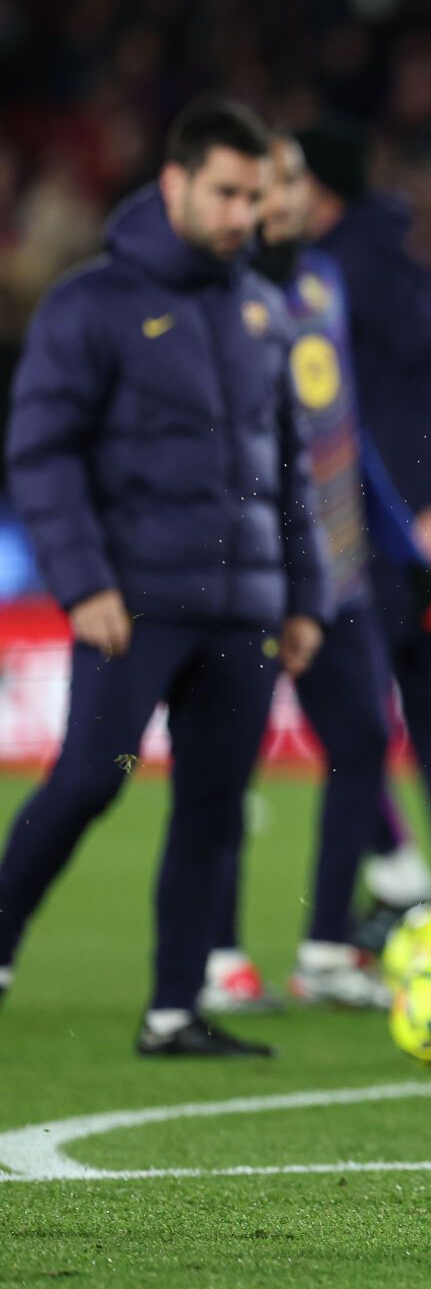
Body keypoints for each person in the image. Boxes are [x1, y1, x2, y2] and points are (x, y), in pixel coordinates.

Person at [0, 98, 328, 1056]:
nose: (242, 215)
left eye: (255, 197)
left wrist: (304, 594)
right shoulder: (90, 304)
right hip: (133, 603)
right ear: (176, 184)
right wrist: (82, 580)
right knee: (86, 783)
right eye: (227, 193)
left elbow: (291, 468)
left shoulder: (262, 311)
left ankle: (176, 1008)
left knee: (216, 806)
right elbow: (42, 453)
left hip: (244, 610)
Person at [201, 129, 431, 1013]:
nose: (288, 197)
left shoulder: (323, 282)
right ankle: (217, 954)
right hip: (251, 572)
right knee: (225, 760)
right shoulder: (221, 298)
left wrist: (398, 537)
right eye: (271, 184)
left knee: (365, 745)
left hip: (337, 572)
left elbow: (343, 426)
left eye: (297, 179)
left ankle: (328, 949)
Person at [291, 118, 431, 930]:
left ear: (320, 189)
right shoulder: (377, 259)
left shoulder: (347, 268)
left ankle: (405, 879)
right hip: (400, 525)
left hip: (387, 534)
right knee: (428, 716)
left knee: (354, 715)